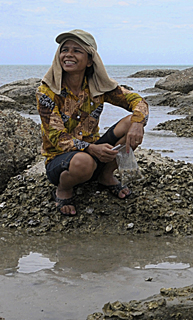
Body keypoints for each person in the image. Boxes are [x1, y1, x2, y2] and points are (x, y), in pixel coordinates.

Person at [37, 29, 149, 216]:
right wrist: (90, 149)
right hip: (60, 160)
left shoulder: (97, 86)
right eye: (64, 50)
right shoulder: (47, 91)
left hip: (94, 153)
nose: (69, 55)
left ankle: (105, 176)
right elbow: (57, 137)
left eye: (77, 51)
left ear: (90, 60)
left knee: (132, 122)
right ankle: (64, 189)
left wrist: (138, 123)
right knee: (83, 161)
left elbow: (137, 101)